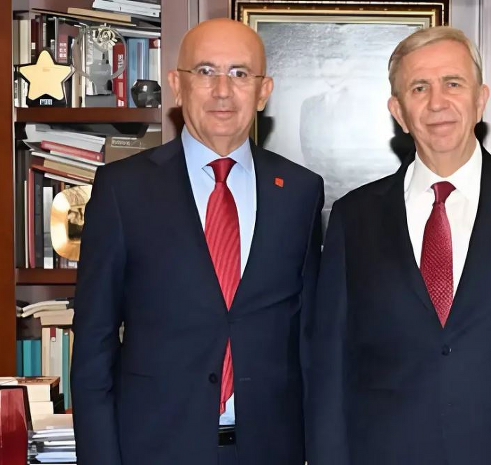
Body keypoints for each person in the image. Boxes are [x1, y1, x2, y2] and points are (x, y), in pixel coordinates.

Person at [306, 26, 491, 465]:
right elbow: (330, 369)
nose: (437, 102)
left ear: (481, 100)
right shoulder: (354, 217)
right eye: (419, 88)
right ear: (398, 112)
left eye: (453, 84)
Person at [71, 18, 324, 465]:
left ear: (263, 92)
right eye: (206, 71)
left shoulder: (301, 192)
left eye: (240, 73)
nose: (223, 91)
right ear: (177, 85)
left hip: (271, 449)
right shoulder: (123, 190)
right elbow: (95, 342)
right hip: (154, 450)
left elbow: (308, 340)